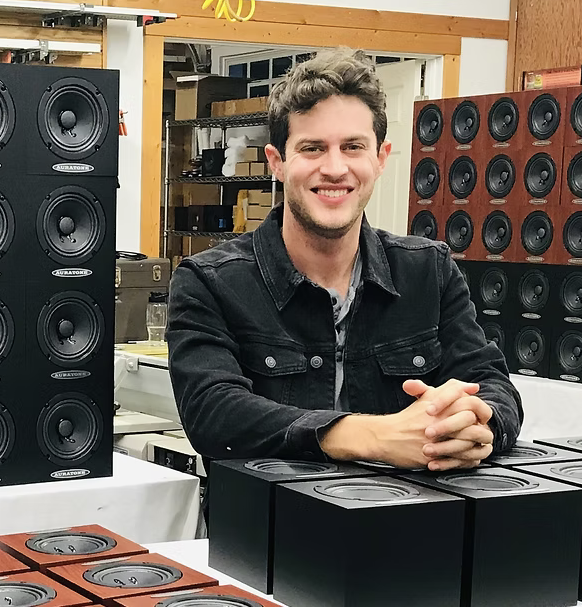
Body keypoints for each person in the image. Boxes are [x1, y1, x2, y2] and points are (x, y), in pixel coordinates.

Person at [167, 48, 522, 483]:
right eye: (313, 148)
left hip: (413, 528)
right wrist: (374, 435)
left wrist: (475, 424)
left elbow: (493, 385)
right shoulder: (210, 282)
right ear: (277, 163)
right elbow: (214, 414)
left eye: (353, 147)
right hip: (265, 536)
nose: (335, 168)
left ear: (380, 158)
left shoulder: (428, 271)